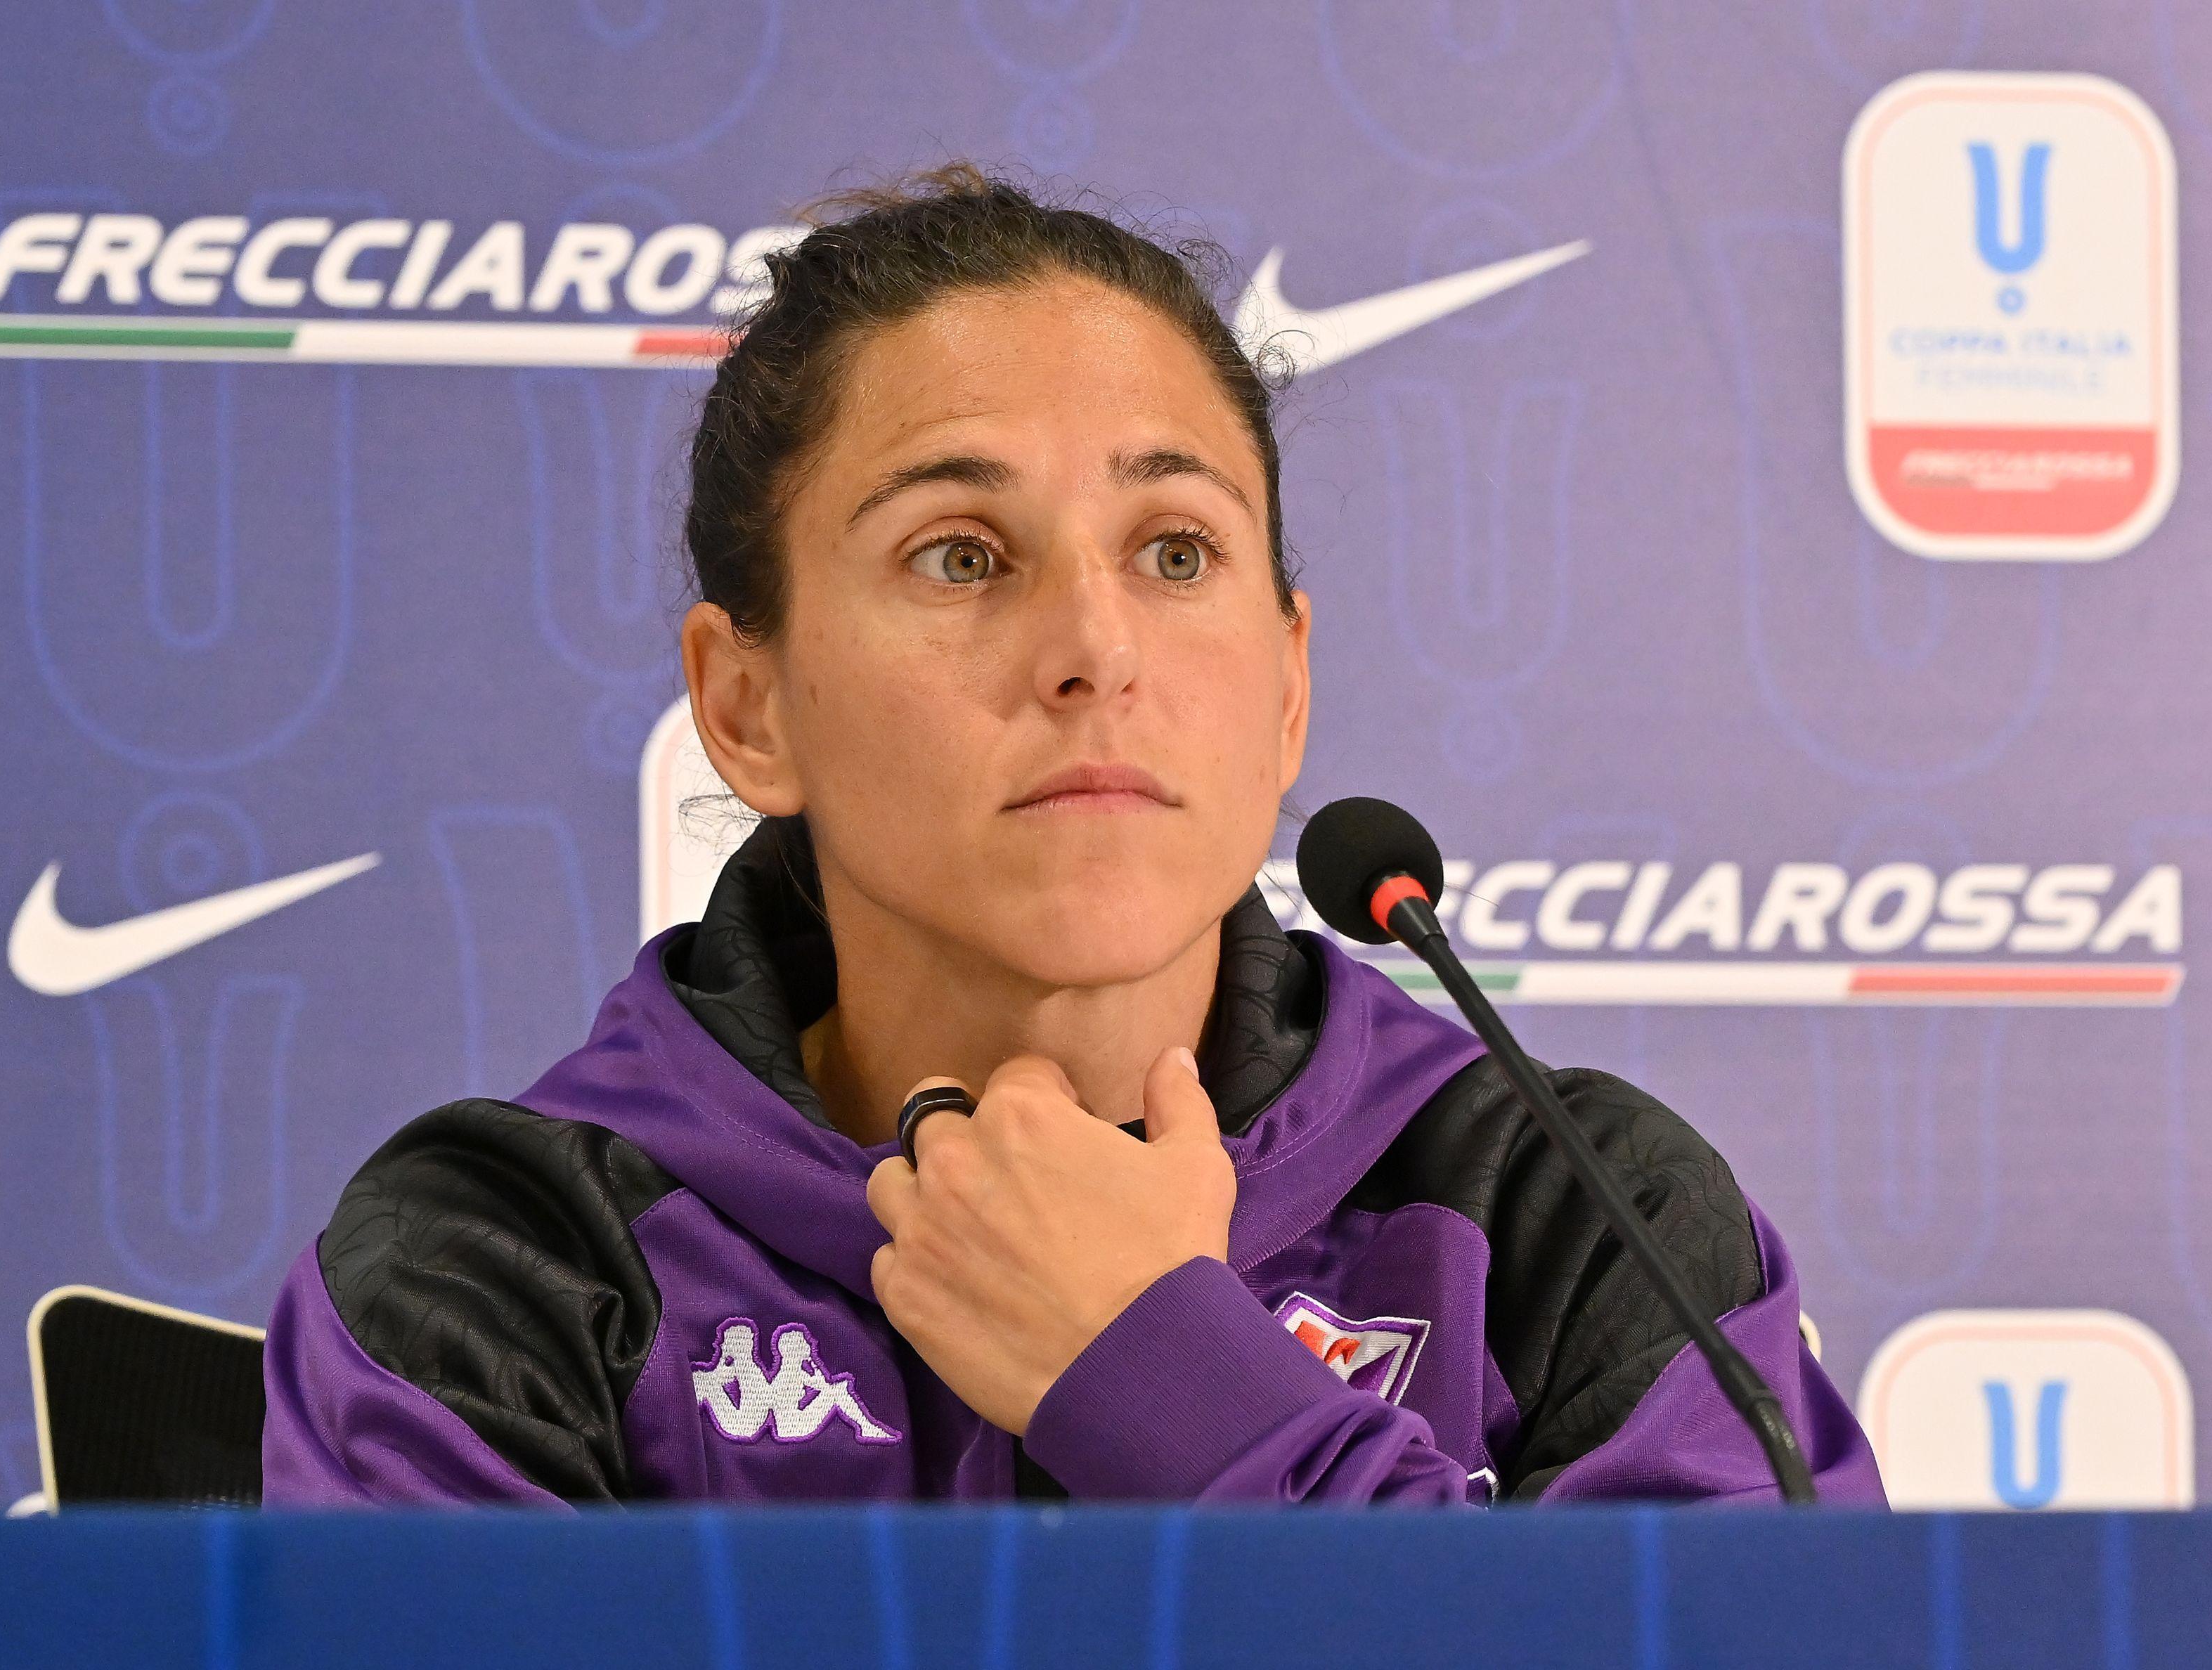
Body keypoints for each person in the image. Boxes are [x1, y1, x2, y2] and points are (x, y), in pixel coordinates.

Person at [260, 164, 1884, 1506]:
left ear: (1288, 688)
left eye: (1175, 553)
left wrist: (1171, 1380)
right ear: (748, 707)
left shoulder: (1573, 1215)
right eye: (961, 556)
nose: (1096, 649)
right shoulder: (508, 1262)